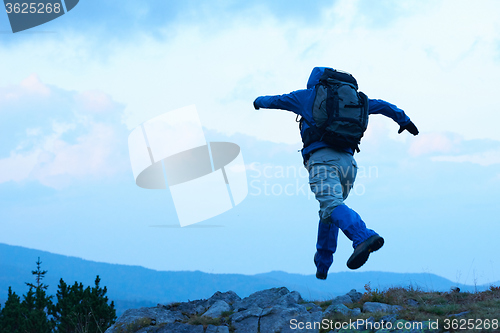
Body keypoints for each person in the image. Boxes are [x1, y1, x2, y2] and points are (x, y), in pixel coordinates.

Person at [253, 67, 419, 280]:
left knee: (331, 206)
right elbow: (384, 106)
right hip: (349, 165)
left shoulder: (308, 96)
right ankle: (322, 265)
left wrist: (257, 101)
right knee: (329, 212)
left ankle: (362, 236)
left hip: (323, 161)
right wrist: (404, 121)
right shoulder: (357, 100)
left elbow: (274, 101)